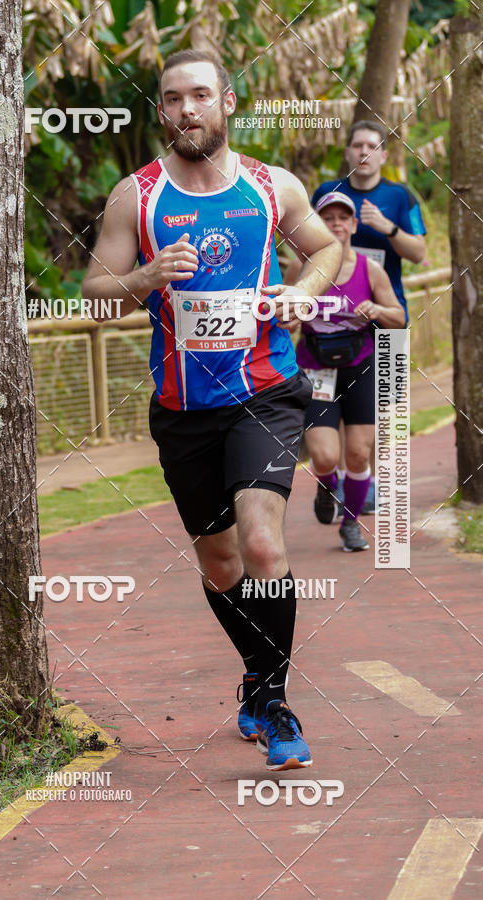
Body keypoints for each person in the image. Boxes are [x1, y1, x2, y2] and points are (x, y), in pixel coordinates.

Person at [82, 50, 342, 770]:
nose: (187, 109)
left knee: (261, 544)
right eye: (173, 98)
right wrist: (145, 275)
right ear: (161, 110)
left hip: (265, 392)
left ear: (227, 102)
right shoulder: (136, 196)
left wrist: (302, 292)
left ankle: (277, 703)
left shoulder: (270, 185)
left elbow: (326, 250)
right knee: (222, 563)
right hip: (183, 410)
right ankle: (258, 678)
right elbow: (96, 297)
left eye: (200, 95)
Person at [312, 120, 426, 514]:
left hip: (386, 318)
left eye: (371, 146)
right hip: (332, 324)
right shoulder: (328, 194)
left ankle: (371, 483)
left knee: (382, 411)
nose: (364, 152)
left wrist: (387, 227)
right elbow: (306, 244)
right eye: (357, 145)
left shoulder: (399, 195)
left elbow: (418, 253)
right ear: (347, 153)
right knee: (342, 410)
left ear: (383, 155)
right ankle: (347, 481)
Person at [285, 192, 405, 550]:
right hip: (315, 366)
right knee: (323, 456)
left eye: (343, 218)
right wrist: (291, 319)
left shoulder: (371, 270)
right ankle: (326, 488)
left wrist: (378, 311)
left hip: (360, 366)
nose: (336, 224)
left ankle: (350, 524)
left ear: (353, 225)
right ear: (318, 224)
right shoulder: (301, 268)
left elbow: (399, 318)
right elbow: (281, 320)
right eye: (328, 218)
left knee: (358, 452)